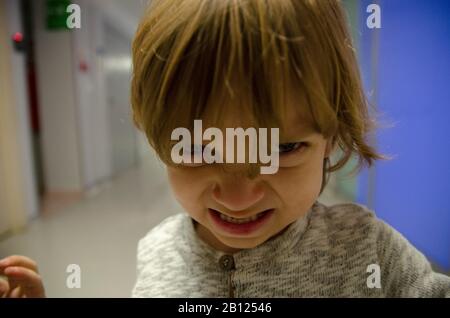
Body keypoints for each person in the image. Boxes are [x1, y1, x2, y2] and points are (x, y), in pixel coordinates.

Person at [1, 0, 449, 298]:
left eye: (285, 148)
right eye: (197, 148)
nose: (238, 198)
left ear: (331, 135)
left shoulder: (368, 249)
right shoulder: (155, 253)